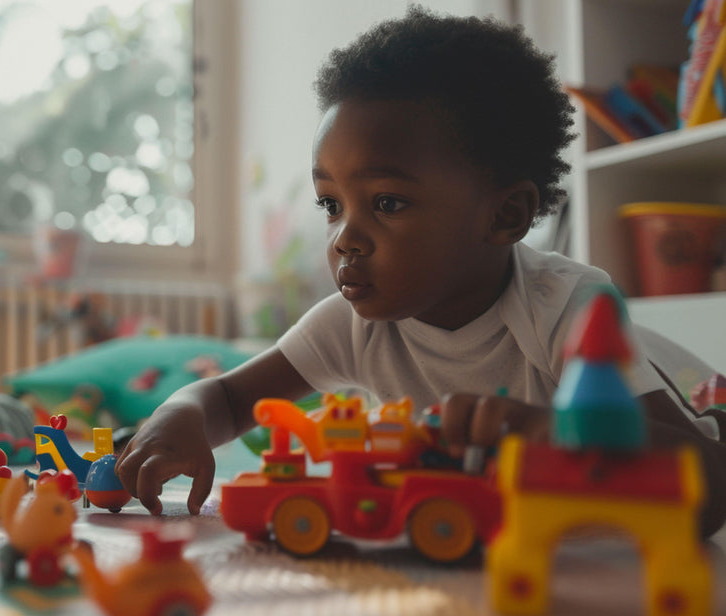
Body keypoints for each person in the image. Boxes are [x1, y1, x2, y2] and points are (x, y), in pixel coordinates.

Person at [114, 7, 726, 536]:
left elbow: (706, 492)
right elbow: (226, 396)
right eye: (331, 204)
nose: (345, 237)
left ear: (506, 214)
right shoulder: (351, 325)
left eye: (387, 203)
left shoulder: (566, 306)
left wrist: (552, 434)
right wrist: (182, 415)